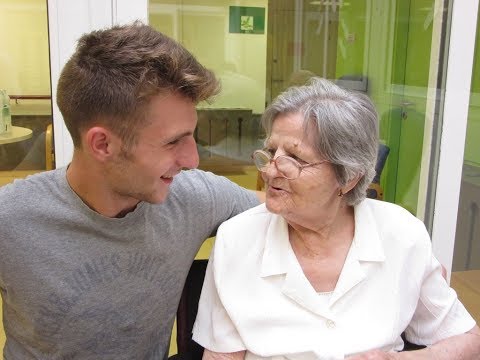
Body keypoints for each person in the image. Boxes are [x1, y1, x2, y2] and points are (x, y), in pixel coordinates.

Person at [0, 22, 263, 359]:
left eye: (192, 136)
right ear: (102, 144)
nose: (192, 159)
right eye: (173, 142)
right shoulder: (11, 219)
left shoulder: (193, 197)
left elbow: (289, 210)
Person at [192, 78, 480, 359]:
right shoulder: (237, 239)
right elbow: (222, 356)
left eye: (295, 157)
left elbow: (468, 340)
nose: (269, 171)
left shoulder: (401, 234)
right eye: (270, 151)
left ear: (348, 177)